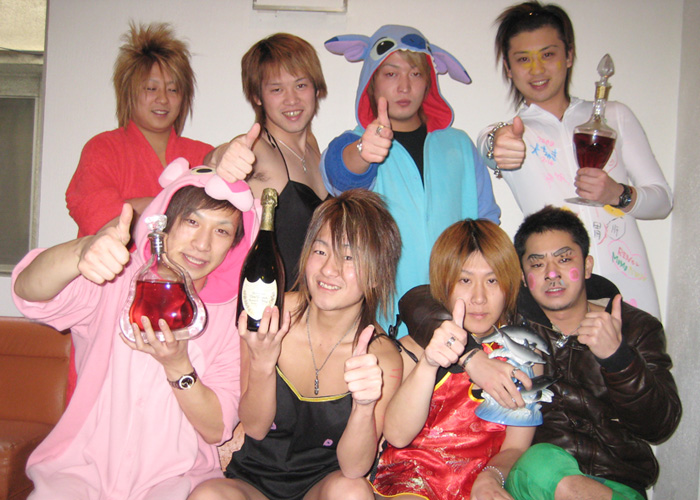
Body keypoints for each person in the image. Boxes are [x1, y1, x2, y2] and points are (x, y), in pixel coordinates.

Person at [12, 162, 258, 499]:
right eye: (192, 222)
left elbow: (217, 427)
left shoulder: (230, 319)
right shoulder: (117, 279)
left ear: (234, 246)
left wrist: (178, 366)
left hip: (174, 483)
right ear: (164, 225)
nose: (202, 244)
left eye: (222, 231)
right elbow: (29, 292)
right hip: (79, 475)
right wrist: (82, 251)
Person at [188, 190, 403, 500]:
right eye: (320, 250)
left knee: (352, 492)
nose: (329, 269)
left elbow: (355, 468)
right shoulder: (270, 314)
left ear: (377, 275)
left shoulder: (381, 357)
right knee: (208, 495)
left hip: (321, 489)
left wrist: (364, 406)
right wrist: (263, 364)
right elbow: (255, 427)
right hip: (253, 483)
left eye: (349, 257)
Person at [478, 1, 673, 318]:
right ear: (508, 67)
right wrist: (498, 143)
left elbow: (662, 201)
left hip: (628, 289)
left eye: (548, 54)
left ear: (568, 55)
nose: (537, 69)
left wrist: (618, 194)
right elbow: (489, 144)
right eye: (523, 59)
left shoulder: (614, 117)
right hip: (557, 296)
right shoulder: (512, 133)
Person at [320, 24, 500, 335]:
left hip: (459, 319)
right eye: (391, 74)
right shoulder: (357, 143)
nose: (404, 87)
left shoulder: (458, 145)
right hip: (385, 323)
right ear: (371, 82)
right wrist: (363, 150)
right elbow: (338, 175)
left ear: (428, 81)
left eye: (415, 74)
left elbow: (487, 225)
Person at [503, 205, 680, 500]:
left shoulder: (636, 328)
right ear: (523, 276)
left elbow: (659, 426)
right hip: (536, 482)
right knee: (538, 463)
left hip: (617, 483)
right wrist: (473, 358)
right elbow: (429, 304)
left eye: (564, 259)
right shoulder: (511, 326)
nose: (551, 274)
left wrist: (618, 358)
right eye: (537, 264)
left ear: (587, 266)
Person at [372, 219, 537, 499]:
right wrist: (428, 364)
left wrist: (491, 478)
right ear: (444, 283)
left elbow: (516, 447)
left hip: (482, 485)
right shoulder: (412, 347)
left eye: (492, 280)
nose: (479, 298)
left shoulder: (524, 355)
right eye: (465, 280)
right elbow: (397, 436)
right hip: (411, 482)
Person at [66, 22, 213, 238]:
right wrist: (177, 210)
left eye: (173, 89)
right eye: (151, 88)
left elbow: (220, 224)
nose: (163, 99)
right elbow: (101, 220)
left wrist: (138, 206)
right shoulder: (102, 149)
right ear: (128, 92)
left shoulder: (203, 155)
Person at [208, 33, 329, 289]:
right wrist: (222, 157)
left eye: (301, 85)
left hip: (313, 305)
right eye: (276, 89)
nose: (291, 99)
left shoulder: (312, 146)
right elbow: (220, 158)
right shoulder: (258, 147)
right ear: (257, 97)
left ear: (316, 88)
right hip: (266, 307)